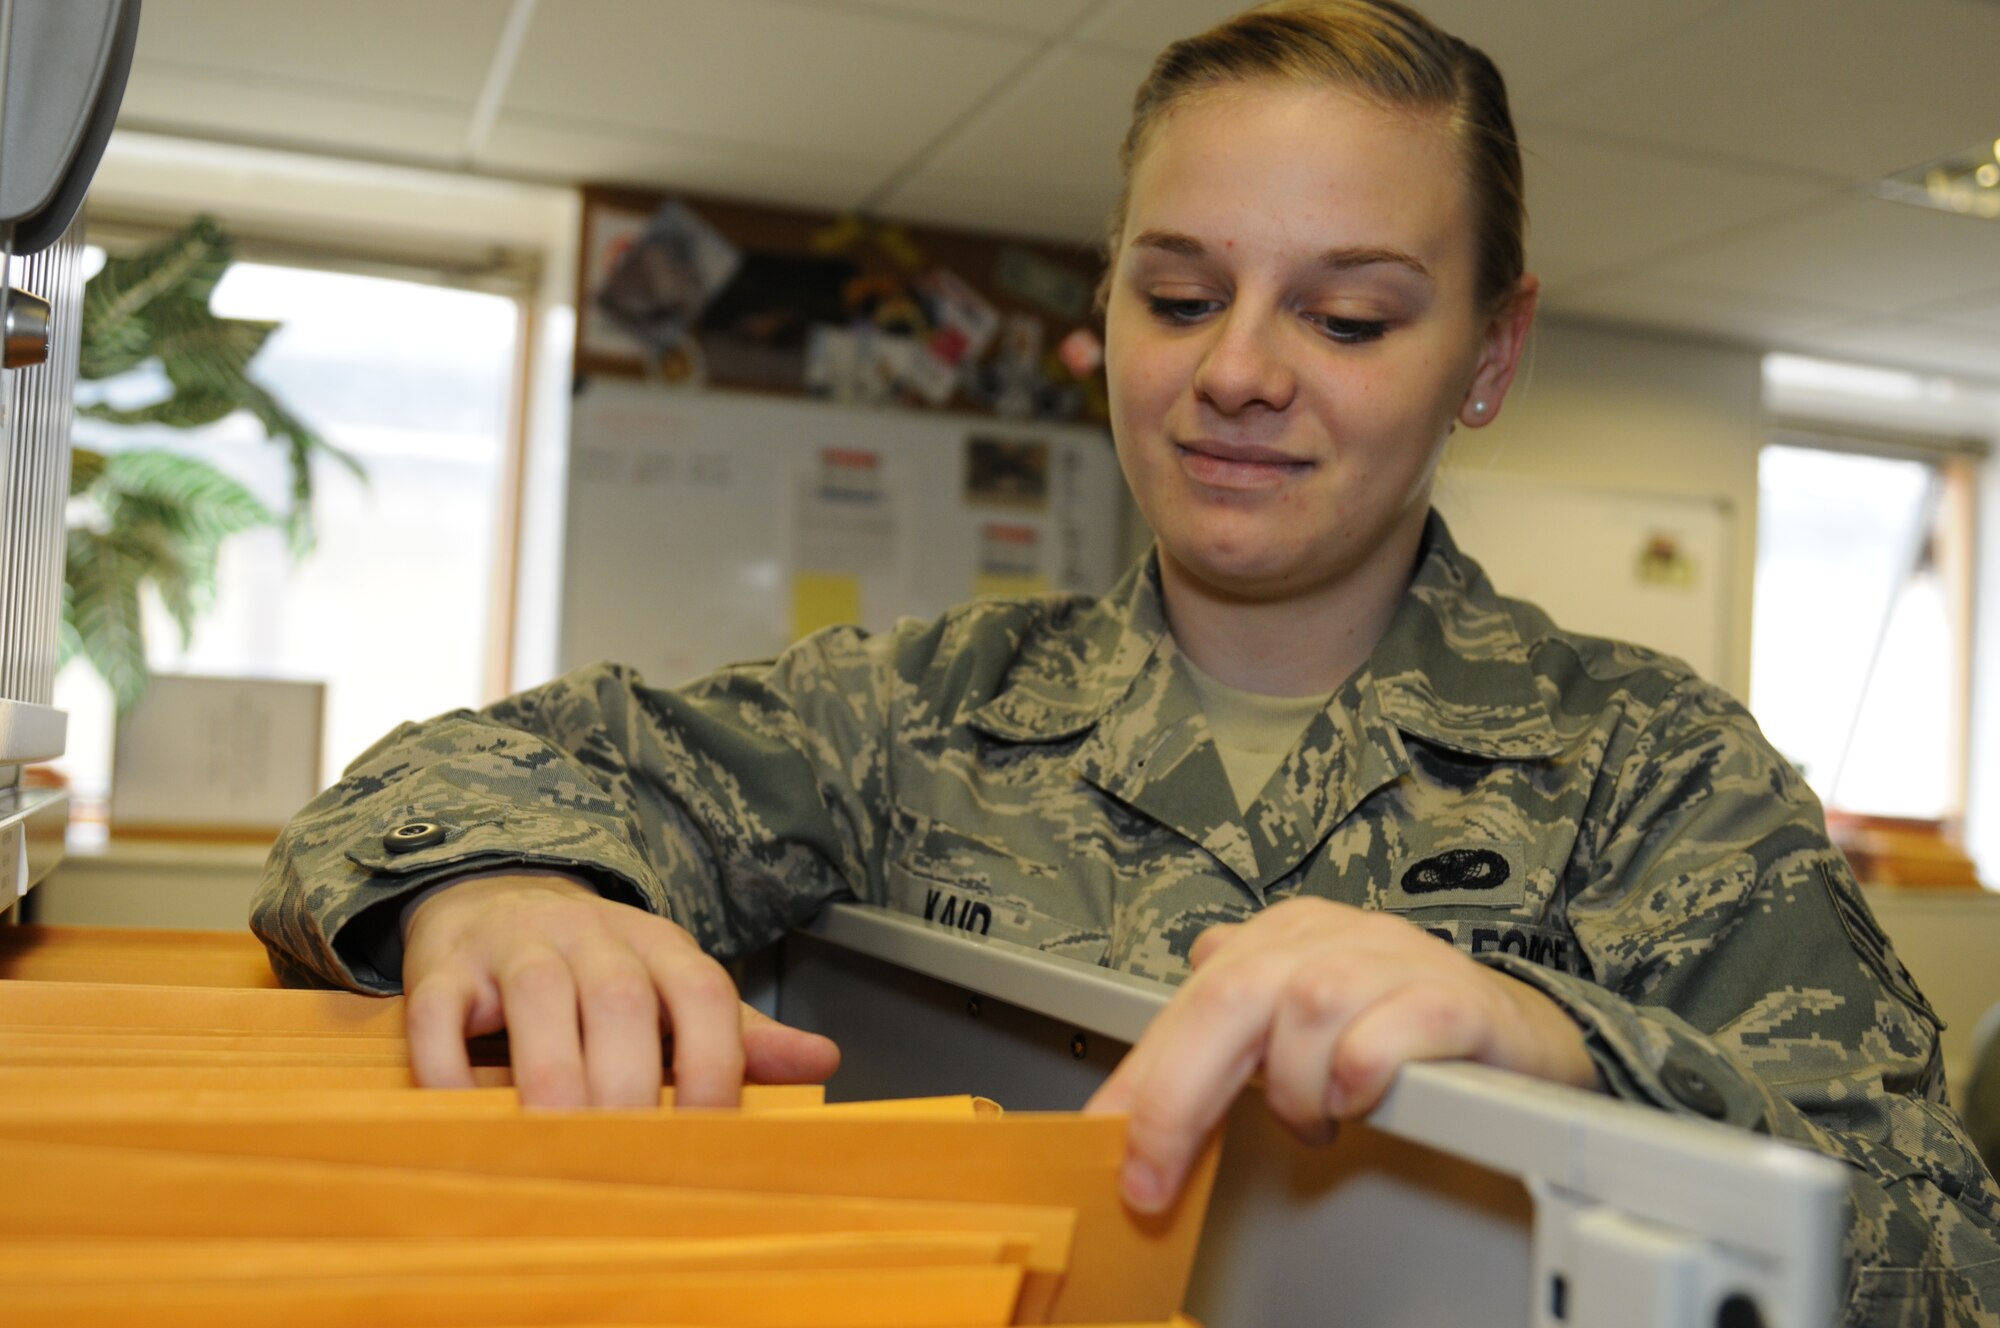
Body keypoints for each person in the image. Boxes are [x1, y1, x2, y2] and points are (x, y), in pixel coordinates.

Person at [252, 1, 2000, 1320]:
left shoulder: (1656, 773)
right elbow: (438, 780)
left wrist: (1569, 1047)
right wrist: (499, 890)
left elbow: (1938, 1248)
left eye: (1350, 314)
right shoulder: (917, 716)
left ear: (1490, 352)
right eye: (1180, 296)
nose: (1239, 370)